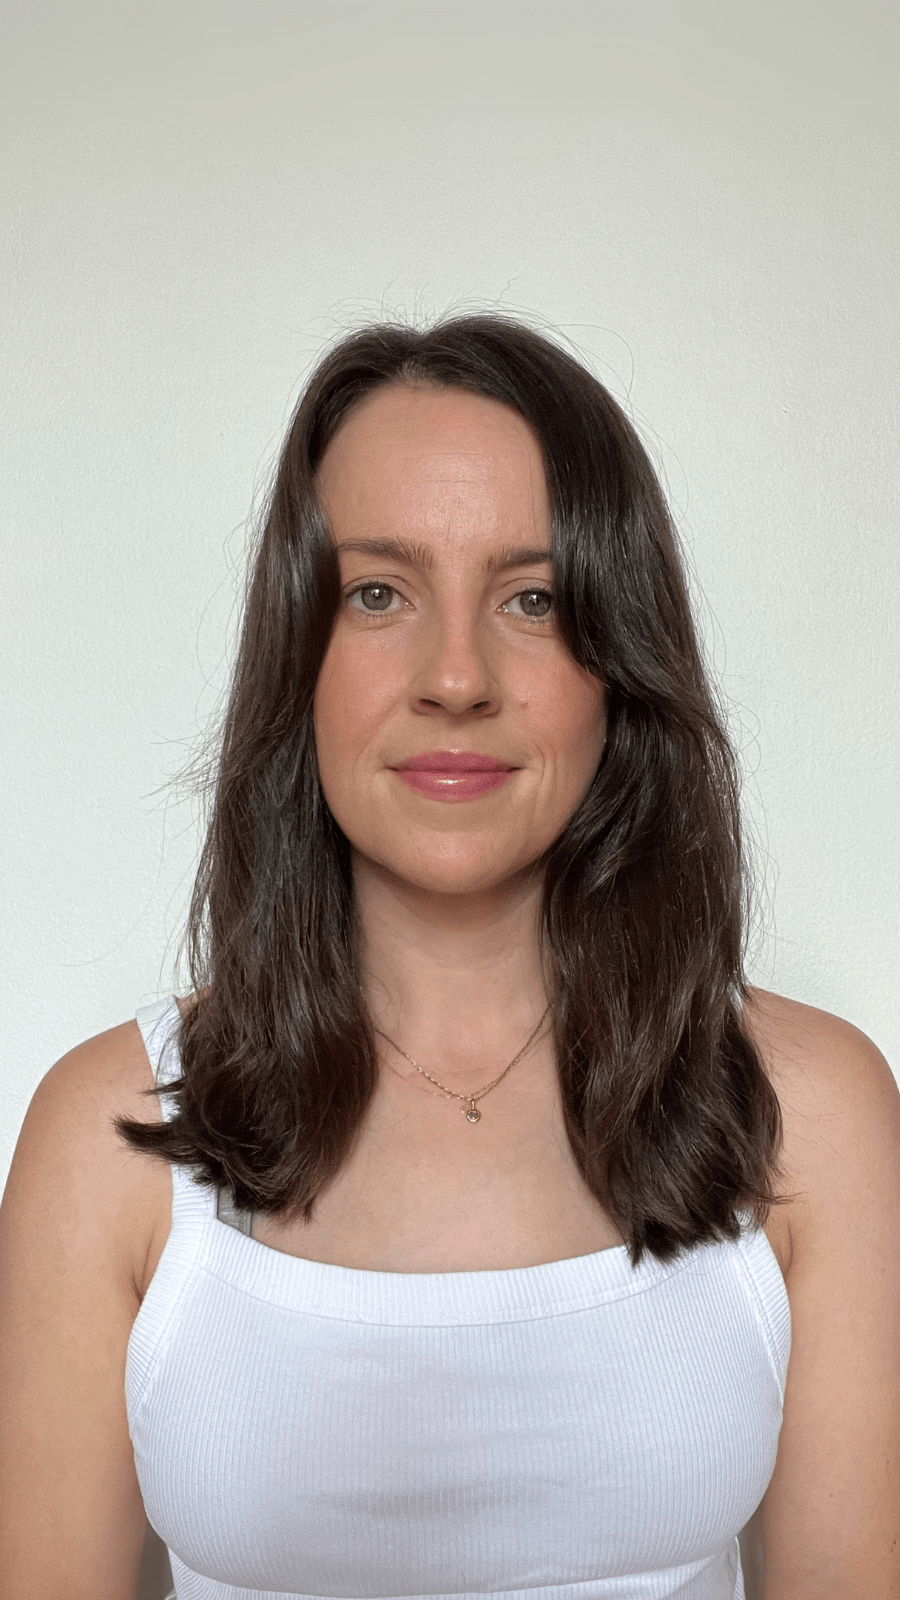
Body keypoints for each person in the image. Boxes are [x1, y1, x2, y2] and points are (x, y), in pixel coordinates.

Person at [1, 315, 899, 1600]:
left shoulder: (815, 1112)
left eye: (533, 598)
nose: (457, 677)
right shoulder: (108, 1137)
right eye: (378, 593)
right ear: (298, 655)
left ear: (618, 663)